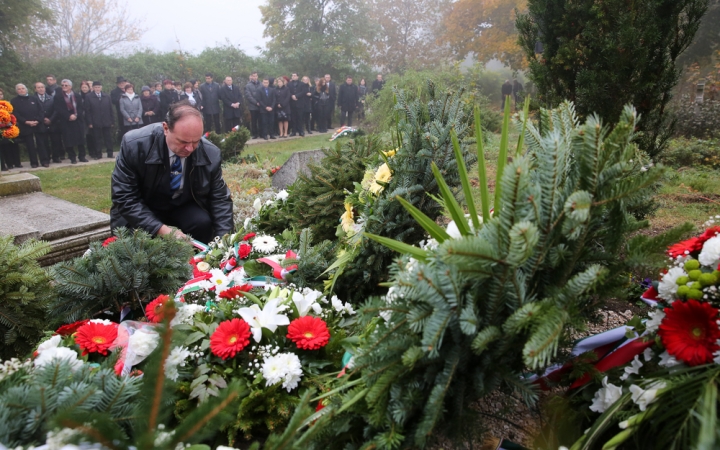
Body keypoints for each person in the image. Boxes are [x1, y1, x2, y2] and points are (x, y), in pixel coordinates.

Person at [110, 100, 233, 243]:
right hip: (141, 209)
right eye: (183, 142)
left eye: (196, 141)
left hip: (180, 207)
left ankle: (197, 262)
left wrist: (225, 242)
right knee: (138, 246)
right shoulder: (134, 145)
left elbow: (220, 199)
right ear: (166, 128)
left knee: (203, 223)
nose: (190, 149)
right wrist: (161, 229)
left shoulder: (210, 153)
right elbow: (124, 197)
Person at [11, 83, 50, 168]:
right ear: (16, 91)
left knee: (41, 144)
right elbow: (16, 114)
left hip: (38, 125)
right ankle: (34, 162)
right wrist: (26, 122)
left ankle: (44, 161)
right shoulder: (14, 101)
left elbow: (41, 110)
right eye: (19, 89)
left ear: (26, 89)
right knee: (30, 145)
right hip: (26, 125)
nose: (21, 90)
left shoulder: (34, 98)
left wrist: (38, 121)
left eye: (23, 88)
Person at [53, 79, 87, 164]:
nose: (64, 87)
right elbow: (58, 109)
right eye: (62, 85)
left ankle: (82, 156)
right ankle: (72, 157)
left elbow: (81, 107)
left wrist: (76, 115)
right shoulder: (58, 97)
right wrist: (68, 116)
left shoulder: (77, 96)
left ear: (70, 87)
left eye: (66, 85)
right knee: (68, 140)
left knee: (80, 139)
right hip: (66, 121)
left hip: (77, 120)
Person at [85, 80, 115, 159]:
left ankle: (110, 153)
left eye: (99, 87)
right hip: (95, 121)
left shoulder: (106, 96)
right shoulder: (89, 97)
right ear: (93, 88)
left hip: (106, 120)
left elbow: (110, 109)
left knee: (108, 138)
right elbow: (87, 111)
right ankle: (98, 154)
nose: (97, 89)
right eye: (96, 87)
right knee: (97, 139)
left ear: (101, 88)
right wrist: (89, 122)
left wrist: (112, 120)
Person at [34, 82, 58, 164]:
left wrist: (50, 119)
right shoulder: (33, 99)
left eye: (42, 87)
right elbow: (32, 112)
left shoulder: (51, 98)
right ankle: (45, 160)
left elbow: (56, 110)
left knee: (55, 141)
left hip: (51, 122)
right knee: (42, 143)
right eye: (38, 87)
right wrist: (41, 119)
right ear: (35, 89)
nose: (41, 89)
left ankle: (56, 157)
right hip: (40, 123)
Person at [0, 88, 22, 170]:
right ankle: (2, 165)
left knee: (10, 146)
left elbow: (12, 115)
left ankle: (12, 163)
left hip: (7, 127)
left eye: (1, 94)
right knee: (2, 147)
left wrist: (11, 123)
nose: (0, 96)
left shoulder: (7, 104)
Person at [79, 82, 97, 159]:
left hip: (92, 118)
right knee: (87, 135)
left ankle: (95, 151)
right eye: (83, 87)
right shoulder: (78, 96)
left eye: (86, 87)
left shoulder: (92, 96)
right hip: (82, 119)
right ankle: (89, 151)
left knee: (93, 136)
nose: (84, 89)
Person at [111, 76, 128, 142]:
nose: (121, 84)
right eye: (120, 83)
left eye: (123, 83)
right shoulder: (114, 92)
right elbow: (113, 101)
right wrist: (120, 96)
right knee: (123, 128)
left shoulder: (129, 89)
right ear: (117, 84)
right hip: (121, 113)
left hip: (130, 112)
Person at [245, 72, 261, 139]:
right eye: (253, 76)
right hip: (253, 106)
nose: (255, 77)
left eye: (256, 76)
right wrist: (255, 102)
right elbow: (248, 96)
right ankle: (255, 134)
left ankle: (261, 133)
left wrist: (260, 102)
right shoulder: (248, 85)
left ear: (257, 76)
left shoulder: (261, 84)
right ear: (251, 77)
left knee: (261, 120)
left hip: (261, 106)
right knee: (254, 121)